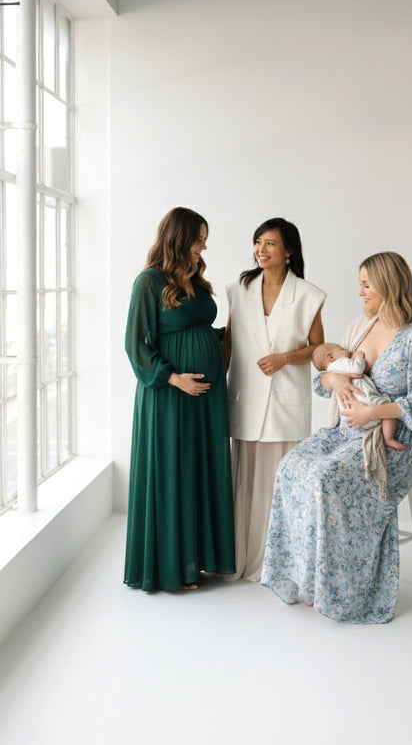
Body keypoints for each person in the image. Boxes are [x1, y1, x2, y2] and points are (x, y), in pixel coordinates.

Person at [262, 251, 412, 623]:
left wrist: (372, 413)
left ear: (388, 285)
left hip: (393, 442)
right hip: (344, 431)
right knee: (291, 466)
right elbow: (324, 379)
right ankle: (309, 578)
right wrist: (335, 378)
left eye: (366, 284)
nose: (360, 292)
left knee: (326, 476)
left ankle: (342, 587)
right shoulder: (362, 327)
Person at [124, 207, 235, 592]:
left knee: (198, 471)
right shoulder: (149, 282)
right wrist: (173, 378)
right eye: (198, 239)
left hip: (204, 400)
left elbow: (200, 330)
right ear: (179, 238)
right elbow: (135, 344)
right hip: (168, 397)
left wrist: (228, 335)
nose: (203, 246)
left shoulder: (197, 281)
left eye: (204, 239)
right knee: (175, 471)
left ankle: (198, 560)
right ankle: (172, 568)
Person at [225, 218, 326, 582]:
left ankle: (280, 565)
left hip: (286, 405)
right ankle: (241, 559)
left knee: (281, 485)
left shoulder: (309, 295)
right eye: (258, 242)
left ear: (288, 251)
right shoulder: (239, 289)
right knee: (246, 484)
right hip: (246, 400)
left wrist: (285, 358)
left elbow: (318, 349)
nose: (261, 250)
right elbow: (229, 341)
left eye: (270, 243)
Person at [312, 342, 405, 502]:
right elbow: (357, 368)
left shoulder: (334, 370)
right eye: (342, 349)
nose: (347, 350)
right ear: (330, 357)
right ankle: (388, 437)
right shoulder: (339, 365)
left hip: (352, 418)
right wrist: (358, 358)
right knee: (387, 408)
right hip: (367, 403)